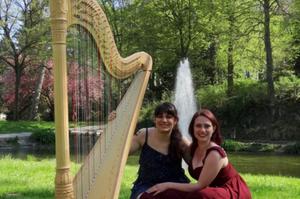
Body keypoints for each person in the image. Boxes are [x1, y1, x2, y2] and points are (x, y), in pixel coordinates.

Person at [146, 109, 252, 199]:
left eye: (207, 126)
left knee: (198, 195)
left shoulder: (215, 154)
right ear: (193, 128)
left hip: (231, 191)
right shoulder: (192, 148)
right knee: (166, 194)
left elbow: (199, 186)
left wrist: (167, 185)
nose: (202, 130)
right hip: (211, 190)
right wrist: (146, 132)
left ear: (213, 128)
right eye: (198, 126)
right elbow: (172, 137)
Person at [128, 102, 191, 199]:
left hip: (175, 185)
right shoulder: (144, 135)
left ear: (175, 120)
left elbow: (196, 164)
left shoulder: (180, 141)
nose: (164, 120)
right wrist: (114, 123)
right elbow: (122, 153)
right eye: (160, 116)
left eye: (169, 117)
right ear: (154, 119)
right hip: (146, 186)